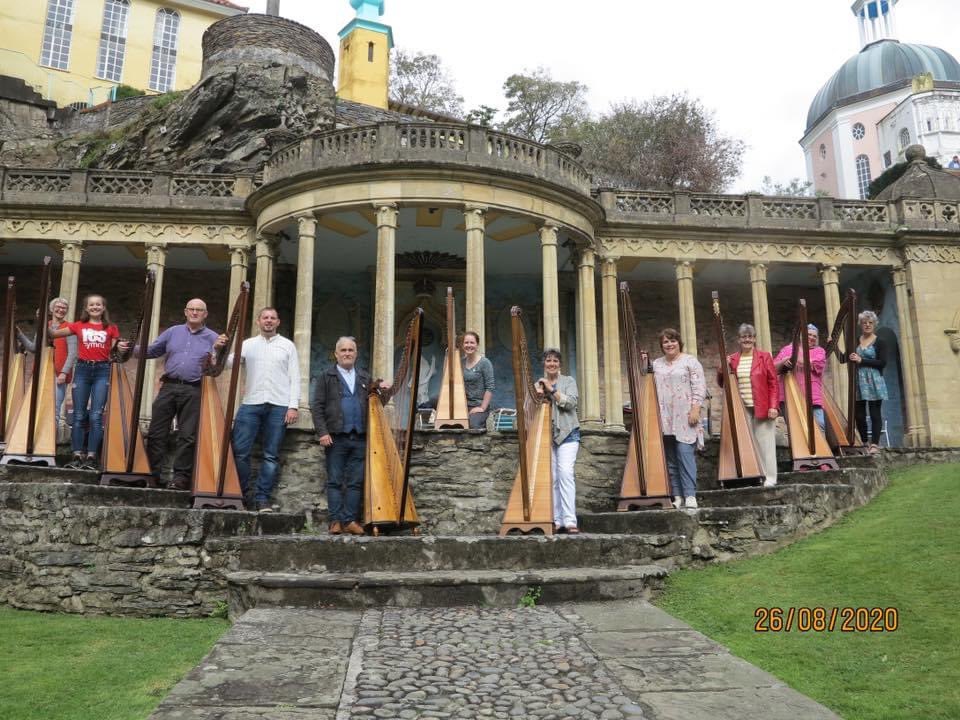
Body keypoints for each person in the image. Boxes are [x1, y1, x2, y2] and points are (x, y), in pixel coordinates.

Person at [140, 299, 227, 490]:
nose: (195, 312)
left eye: (199, 310)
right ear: (185, 312)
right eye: (192, 309)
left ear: (205, 314)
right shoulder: (173, 332)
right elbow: (153, 351)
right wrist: (128, 350)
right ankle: (152, 475)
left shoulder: (213, 337)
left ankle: (180, 478)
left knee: (187, 436)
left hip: (194, 389)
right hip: (168, 387)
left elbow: (217, 367)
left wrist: (219, 350)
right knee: (156, 432)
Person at [229, 308, 299, 512]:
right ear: (258, 322)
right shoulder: (248, 345)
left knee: (270, 455)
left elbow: (294, 376)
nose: (268, 321)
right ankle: (241, 495)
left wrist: (293, 406)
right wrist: (218, 350)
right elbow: (227, 364)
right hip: (251, 402)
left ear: (278, 322)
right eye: (265, 318)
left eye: (272, 318)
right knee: (240, 451)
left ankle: (262, 499)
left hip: (279, 405)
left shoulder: (288, 346)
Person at [49, 295, 128, 470]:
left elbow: (117, 351)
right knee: (78, 414)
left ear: (103, 307)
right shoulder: (78, 325)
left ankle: (92, 456)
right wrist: (54, 319)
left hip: (102, 370)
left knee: (96, 415)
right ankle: (77, 454)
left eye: (98, 304)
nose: (95, 307)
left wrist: (121, 348)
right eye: (91, 305)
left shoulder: (111, 328)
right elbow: (53, 334)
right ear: (86, 308)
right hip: (83, 370)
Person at [311, 336, 372, 536]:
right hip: (335, 437)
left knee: (355, 482)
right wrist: (323, 432)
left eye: (350, 350)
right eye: (343, 350)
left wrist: (386, 389)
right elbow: (317, 406)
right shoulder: (326, 376)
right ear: (336, 354)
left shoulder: (365, 377)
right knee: (335, 481)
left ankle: (350, 520)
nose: (347, 353)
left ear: (356, 354)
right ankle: (335, 521)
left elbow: (376, 402)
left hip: (360, 437)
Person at [652, 329, 706, 509]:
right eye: (665, 342)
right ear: (661, 346)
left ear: (679, 342)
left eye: (672, 341)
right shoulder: (656, 364)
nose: (669, 344)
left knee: (685, 454)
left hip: (685, 415)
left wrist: (695, 409)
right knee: (671, 458)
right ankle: (677, 496)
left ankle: (690, 494)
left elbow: (699, 386)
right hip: (664, 416)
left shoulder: (690, 361)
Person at [721, 324, 779, 487]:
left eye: (750, 336)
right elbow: (722, 382)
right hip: (742, 407)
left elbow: (773, 382)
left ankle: (770, 477)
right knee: (749, 442)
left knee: (765, 442)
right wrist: (722, 367)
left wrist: (773, 406)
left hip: (763, 405)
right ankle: (755, 474)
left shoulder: (764, 356)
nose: (747, 339)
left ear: (754, 339)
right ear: (739, 339)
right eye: (743, 337)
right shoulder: (732, 359)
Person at [536, 347, 580, 534]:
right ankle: (557, 520)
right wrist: (537, 396)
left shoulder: (568, 381)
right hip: (547, 435)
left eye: (555, 361)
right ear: (544, 364)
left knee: (565, 473)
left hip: (568, 433)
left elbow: (571, 403)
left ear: (559, 364)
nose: (552, 364)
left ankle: (570, 520)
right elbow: (531, 408)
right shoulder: (538, 383)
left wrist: (551, 389)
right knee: (552, 477)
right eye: (548, 361)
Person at [16, 296, 77, 425]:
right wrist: (19, 335)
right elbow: (33, 348)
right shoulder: (44, 326)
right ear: (51, 309)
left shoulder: (70, 328)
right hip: (42, 370)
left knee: (54, 408)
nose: (61, 309)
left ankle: (49, 442)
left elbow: (72, 354)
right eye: (58, 307)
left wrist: (64, 373)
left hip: (58, 373)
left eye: (64, 308)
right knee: (37, 406)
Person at [774, 323, 827, 431]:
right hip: (790, 396)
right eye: (809, 334)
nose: (811, 337)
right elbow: (773, 368)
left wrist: (793, 356)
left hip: (812, 397)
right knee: (795, 430)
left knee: (820, 425)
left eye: (814, 336)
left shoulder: (820, 351)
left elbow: (810, 363)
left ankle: (821, 448)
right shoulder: (787, 349)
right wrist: (783, 362)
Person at [850, 310, 888, 454]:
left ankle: (875, 444)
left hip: (874, 380)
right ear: (860, 324)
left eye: (870, 322)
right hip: (858, 380)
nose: (867, 325)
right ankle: (865, 442)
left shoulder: (881, 342)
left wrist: (862, 360)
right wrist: (832, 346)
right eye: (864, 322)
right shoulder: (855, 341)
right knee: (859, 414)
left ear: (874, 324)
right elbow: (844, 358)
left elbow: (882, 363)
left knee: (874, 413)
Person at [462, 330, 494, 430]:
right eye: (466, 342)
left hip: (479, 405)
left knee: (473, 425)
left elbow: (490, 387)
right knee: (434, 400)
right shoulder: (460, 363)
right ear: (463, 345)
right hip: (462, 405)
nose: (469, 345)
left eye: (472, 342)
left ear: (477, 345)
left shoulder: (484, 363)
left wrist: (482, 408)